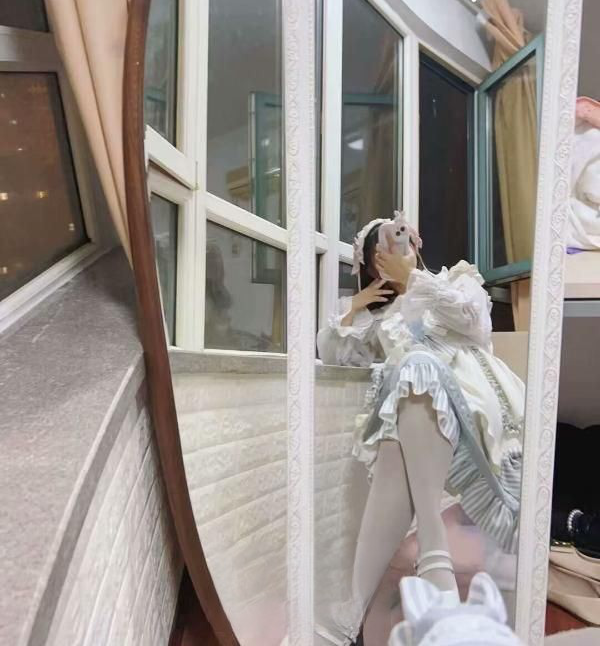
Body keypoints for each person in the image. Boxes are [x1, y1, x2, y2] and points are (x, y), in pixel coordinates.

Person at [317, 214, 525, 643]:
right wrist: (356, 305)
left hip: (475, 402)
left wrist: (413, 278)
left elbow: (474, 322)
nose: (400, 240)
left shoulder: (454, 280)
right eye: (387, 241)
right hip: (419, 417)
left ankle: (428, 559)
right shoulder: (384, 320)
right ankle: (357, 614)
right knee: (394, 436)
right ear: (374, 262)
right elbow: (335, 353)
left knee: (414, 367)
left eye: (404, 234)